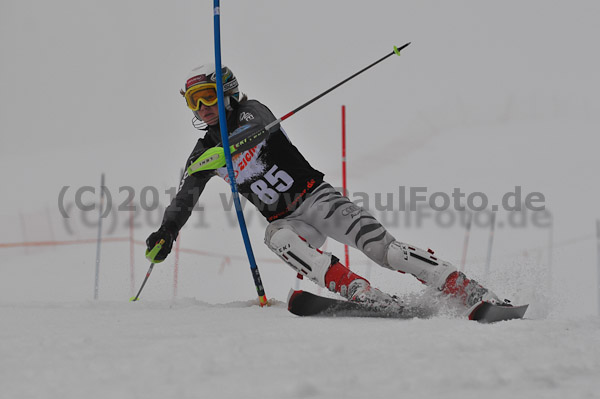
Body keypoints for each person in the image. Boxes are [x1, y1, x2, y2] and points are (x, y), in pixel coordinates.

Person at [146, 63, 500, 310]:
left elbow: (258, 128)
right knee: (277, 237)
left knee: (385, 251)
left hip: (317, 199)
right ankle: (360, 292)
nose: (202, 108)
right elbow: (184, 198)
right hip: (289, 221)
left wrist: (223, 151)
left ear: (227, 92)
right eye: (194, 102)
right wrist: (167, 231)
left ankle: (463, 287)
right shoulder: (202, 154)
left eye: (207, 96)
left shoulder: (251, 112)